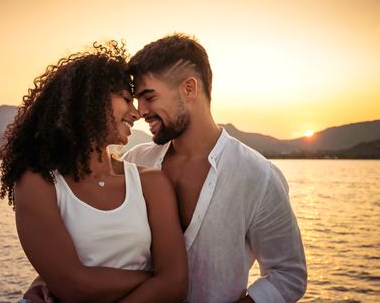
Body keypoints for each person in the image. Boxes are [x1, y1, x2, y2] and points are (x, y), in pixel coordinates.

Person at [0, 41, 188, 302]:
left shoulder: (150, 182)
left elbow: (176, 285)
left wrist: (165, 280)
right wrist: (153, 278)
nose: (136, 113)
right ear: (91, 100)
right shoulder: (37, 182)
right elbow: (73, 285)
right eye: (126, 99)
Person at [122, 34, 307, 302]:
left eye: (149, 97)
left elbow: (289, 274)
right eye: (138, 99)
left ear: (189, 89)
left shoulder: (258, 175)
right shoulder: (133, 162)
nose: (140, 111)